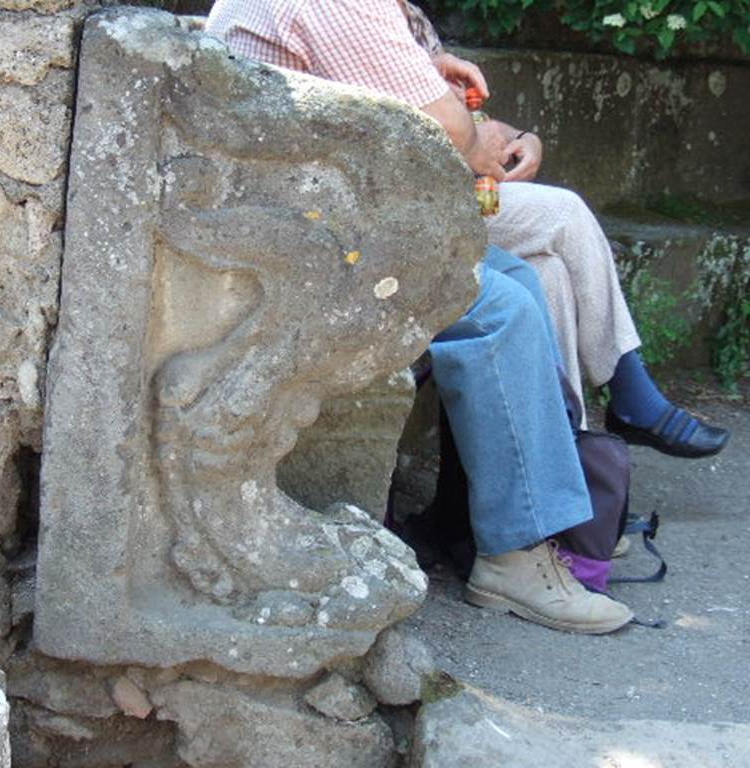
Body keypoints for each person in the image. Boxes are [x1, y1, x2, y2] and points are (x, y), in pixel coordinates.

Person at [205, 0, 634, 634]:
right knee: (498, 306)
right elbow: (453, 136)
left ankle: (515, 523)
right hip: (297, 251)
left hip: (301, 224)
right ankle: (514, 558)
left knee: (515, 276)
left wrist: (434, 76)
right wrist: (473, 128)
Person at [392, 0, 729, 455]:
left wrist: (524, 140)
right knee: (565, 212)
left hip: (465, 197)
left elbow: (472, 118)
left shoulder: (407, 17)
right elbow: (440, 131)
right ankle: (630, 392)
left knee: (547, 272)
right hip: (411, 210)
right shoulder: (349, 15)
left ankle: (575, 463)